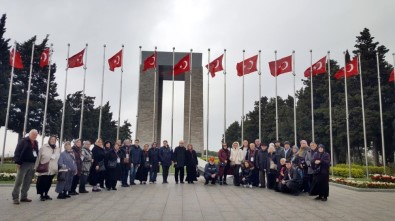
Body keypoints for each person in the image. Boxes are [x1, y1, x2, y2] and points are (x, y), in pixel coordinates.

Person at [12, 129, 39, 205]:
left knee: (27, 182)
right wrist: (17, 162)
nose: (35, 136)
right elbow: (17, 151)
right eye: (33, 134)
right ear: (29, 134)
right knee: (19, 181)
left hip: (32, 164)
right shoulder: (23, 141)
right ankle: (15, 197)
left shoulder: (36, 143)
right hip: (23, 163)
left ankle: (24, 196)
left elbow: (36, 153)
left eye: (36, 135)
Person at [34, 135, 60, 201]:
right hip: (44, 168)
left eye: (54, 140)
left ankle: (46, 194)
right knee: (42, 182)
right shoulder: (44, 147)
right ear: (49, 140)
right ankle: (41, 195)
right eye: (52, 139)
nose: (53, 141)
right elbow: (38, 157)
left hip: (52, 169)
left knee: (48, 182)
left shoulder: (57, 149)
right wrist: (36, 167)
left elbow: (58, 159)